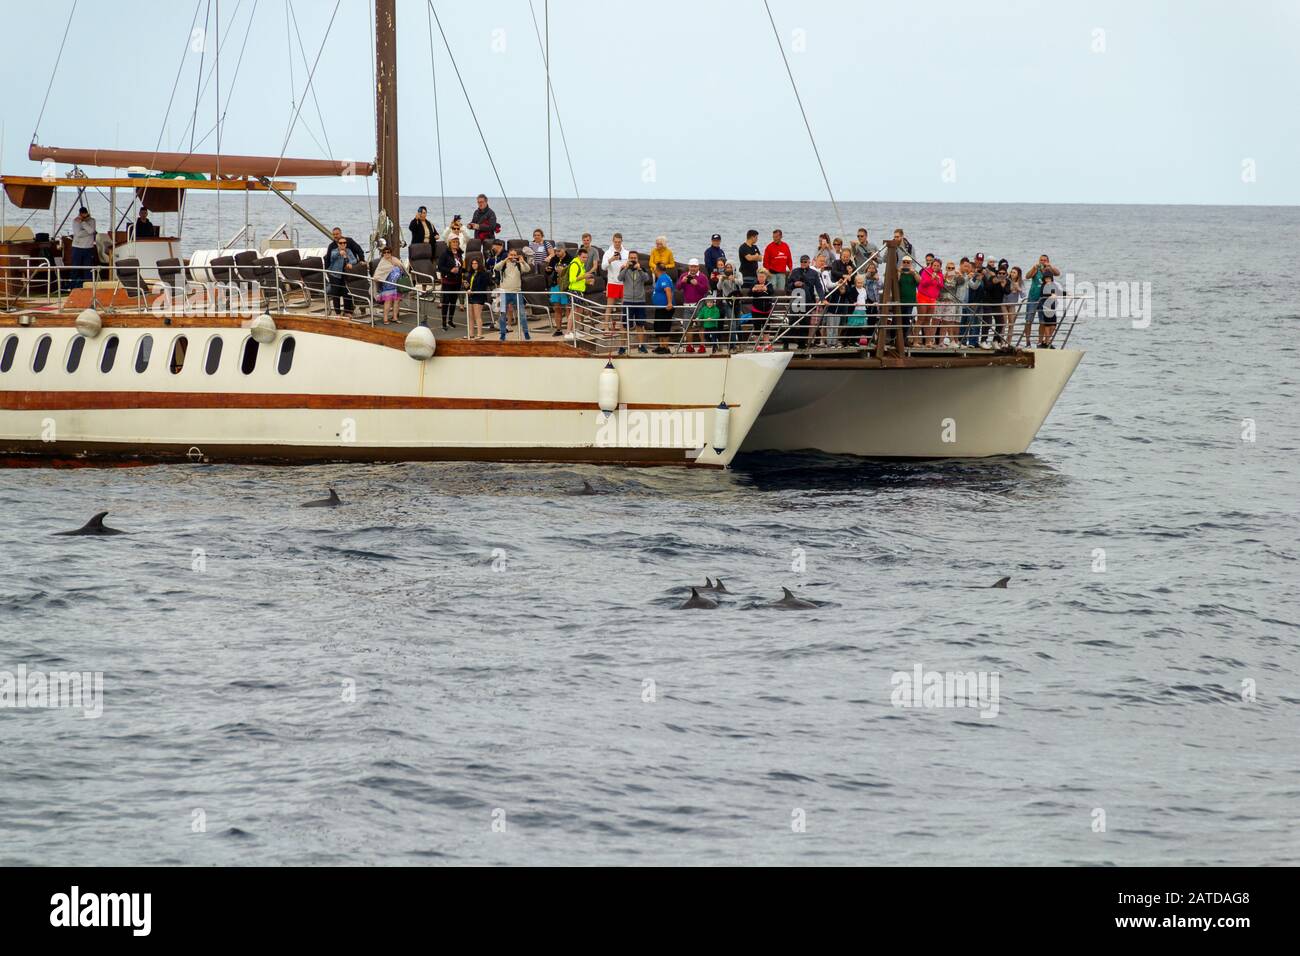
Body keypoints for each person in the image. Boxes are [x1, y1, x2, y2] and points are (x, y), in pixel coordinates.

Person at [493, 248, 532, 341]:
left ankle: (526, 333)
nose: (513, 257)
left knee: (522, 313)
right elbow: (496, 267)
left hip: (517, 292)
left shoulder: (519, 265)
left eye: (515, 255)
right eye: (511, 255)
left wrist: (523, 261)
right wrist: (506, 259)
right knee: (503, 315)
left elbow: (528, 269)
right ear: (508, 255)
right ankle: (502, 334)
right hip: (505, 292)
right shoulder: (504, 264)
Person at [675, 259, 711, 353]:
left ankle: (702, 346)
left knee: (701, 326)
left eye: (695, 266)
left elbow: (705, 290)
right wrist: (682, 282)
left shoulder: (702, 277)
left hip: (699, 304)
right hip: (687, 305)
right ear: (689, 267)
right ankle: (689, 346)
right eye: (691, 266)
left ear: (698, 267)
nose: (693, 268)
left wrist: (697, 284)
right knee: (687, 327)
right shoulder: (684, 275)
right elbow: (678, 287)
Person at [788, 255, 823, 349]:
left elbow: (819, 287)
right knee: (793, 321)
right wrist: (794, 284)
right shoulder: (795, 271)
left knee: (806, 321)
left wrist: (823, 299)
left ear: (809, 262)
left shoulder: (814, 273)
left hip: (808, 299)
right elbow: (787, 286)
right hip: (796, 298)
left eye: (805, 262)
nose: (803, 263)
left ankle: (802, 343)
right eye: (801, 261)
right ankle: (788, 341)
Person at [1024, 254, 1060, 345]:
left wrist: (1050, 266)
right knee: (1029, 320)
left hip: (1044, 300)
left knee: (1042, 321)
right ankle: (1027, 341)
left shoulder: (1049, 270)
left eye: (1044, 260)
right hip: (1033, 298)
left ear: (1048, 261)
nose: (1042, 262)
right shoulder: (1036, 270)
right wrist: (1034, 268)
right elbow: (1027, 276)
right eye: (1041, 260)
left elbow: (1058, 273)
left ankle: (1040, 341)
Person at [620, 251, 651, 353]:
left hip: (639, 301)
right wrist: (625, 268)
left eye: (634, 258)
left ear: (637, 259)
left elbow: (647, 278)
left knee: (640, 325)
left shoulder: (642, 269)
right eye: (631, 258)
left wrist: (639, 269)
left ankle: (641, 345)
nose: (633, 259)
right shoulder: (624, 269)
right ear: (628, 259)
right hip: (627, 301)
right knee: (625, 325)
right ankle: (622, 346)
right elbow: (619, 278)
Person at [325, 233, 359, 318]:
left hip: (345, 275)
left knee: (346, 293)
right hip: (335, 275)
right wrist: (340, 253)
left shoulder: (348, 251)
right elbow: (332, 257)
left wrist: (350, 263)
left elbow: (354, 260)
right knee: (336, 294)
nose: (343, 244)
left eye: (344, 243)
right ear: (338, 244)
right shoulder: (334, 251)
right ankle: (337, 312)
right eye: (341, 243)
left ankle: (347, 311)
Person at [602, 233, 629, 338]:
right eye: (615, 242)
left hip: (623, 283)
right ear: (613, 241)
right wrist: (611, 259)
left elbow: (631, 264)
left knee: (624, 306)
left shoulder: (626, 253)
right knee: (609, 306)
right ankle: (605, 327)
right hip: (612, 282)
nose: (617, 244)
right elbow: (603, 267)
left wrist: (626, 265)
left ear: (622, 241)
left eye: (619, 242)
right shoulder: (608, 253)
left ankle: (623, 326)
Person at [437, 236, 465, 330]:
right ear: (450, 243)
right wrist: (450, 270)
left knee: (453, 302)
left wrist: (460, 271)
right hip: (447, 281)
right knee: (446, 302)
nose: (455, 243)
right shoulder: (445, 254)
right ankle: (444, 323)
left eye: (457, 242)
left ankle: (450, 320)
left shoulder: (460, 253)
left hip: (456, 281)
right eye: (453, 242)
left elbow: (461, 266)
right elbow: (440, 267)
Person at [372, 246, 406, 325]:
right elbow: (378, 273)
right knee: (388, 301)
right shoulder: (382, 262)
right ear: (382, 254)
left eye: (388, 252)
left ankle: (395, 317)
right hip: (388, 286)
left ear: (391, 253)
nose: (387, 254)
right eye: (385, 252)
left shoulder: (395, 260)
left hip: (397, 285)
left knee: (397, 302)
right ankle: (385, 318)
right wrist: (376, 277)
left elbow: (403, 269)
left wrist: (399, 266)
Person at [916, 257, 944, 346]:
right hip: (923, 297)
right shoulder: (926, 271)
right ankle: (915, 341)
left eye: (938, 265)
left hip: (932, 299)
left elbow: (941, 286)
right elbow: (923, 283)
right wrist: (931, 278)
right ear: (931, 265)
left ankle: (928, 342)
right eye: (934, 265)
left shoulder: (940, 274)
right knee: (921, 319)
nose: (936, 267)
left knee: (928, 320)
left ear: (940, 267)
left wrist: (938, 280)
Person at [68, 207, 97, 289]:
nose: (84, 216)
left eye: (85, 215)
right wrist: (88, 231)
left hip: (89, 248)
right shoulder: (75, 221)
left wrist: (83, 223)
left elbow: (91, 231)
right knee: (75, 268)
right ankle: (72, 286)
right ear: (80, 214)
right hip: (77, 247)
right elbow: (78, 234)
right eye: (82, 215)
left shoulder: (92, 220)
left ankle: (88, 286)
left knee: (88, 269)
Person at [650, 261, 675, 354]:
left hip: (665, 308)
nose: (654, 271)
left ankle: (665, 347)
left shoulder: (663, 278)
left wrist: (669, 303)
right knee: (658, 326)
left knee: (664, 327)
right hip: (660, 307)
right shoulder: (662, 278)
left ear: (657, 270)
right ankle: (661, 346)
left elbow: (667, 290)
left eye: (655, 269)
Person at [749, 270, 777, 350]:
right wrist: (753, 290)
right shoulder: (753, 283)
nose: (760, 278)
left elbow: (772, 292)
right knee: (757, 327)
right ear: (757, 277)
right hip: (756, 310)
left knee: (766, 328)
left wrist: (766, 289)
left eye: (762, 277)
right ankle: (757, 345)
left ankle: (766, 344)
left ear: (765, 277)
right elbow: (748, 293)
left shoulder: (769, 284)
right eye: (759, 276)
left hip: (767, 309)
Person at [565, 248, 589, 338]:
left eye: (586, 257)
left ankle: (574, 330)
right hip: (574, 291)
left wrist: (587, 281)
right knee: (573, 311)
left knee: (578, 311)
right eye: (583, 257)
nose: (585, 259)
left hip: (580, 290)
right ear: (578, 256)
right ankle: (568, 332)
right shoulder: (575, 264)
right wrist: (584, 276)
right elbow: (572, 279)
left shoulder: (581, 264)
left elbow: (580, 279)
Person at [465, 255, 491, 339]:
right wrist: (467, 287)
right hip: (471, 296)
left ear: (479, 264)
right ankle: (471, 334)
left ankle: (479, 334)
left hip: (479, 296)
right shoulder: (470, 274)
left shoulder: (483, 274)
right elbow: (469, 285)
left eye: (475, 263)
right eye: (472, 263)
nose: (474, 265)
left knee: (477, 316)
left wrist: (472, 291)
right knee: (470, 316)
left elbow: (483, 285)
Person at [545, 245, 569, 335]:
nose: (557, 253)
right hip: (555, 285)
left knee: (568, 308)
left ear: (564, 250)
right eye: (556, 251)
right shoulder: (554, 259)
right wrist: (547, 270)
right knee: (557, 308)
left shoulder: (570, 259)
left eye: (559, 251)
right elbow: (549, 272)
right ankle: (559, 329)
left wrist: (562, 271)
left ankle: (570, 330)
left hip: (566, 286)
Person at [897, 255, 920, 348]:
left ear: (911, 263)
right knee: (898, 320)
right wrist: (899, 271)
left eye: (908, 262)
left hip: (909, 301)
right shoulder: (899, 272)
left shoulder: (914, 272)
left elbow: (919, 281)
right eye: (904, 262)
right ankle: (897, 339)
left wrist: (913, 273)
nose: (906, 264)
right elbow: (895, 280)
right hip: (900, 300)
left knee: (907, 320)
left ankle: (904, 339)